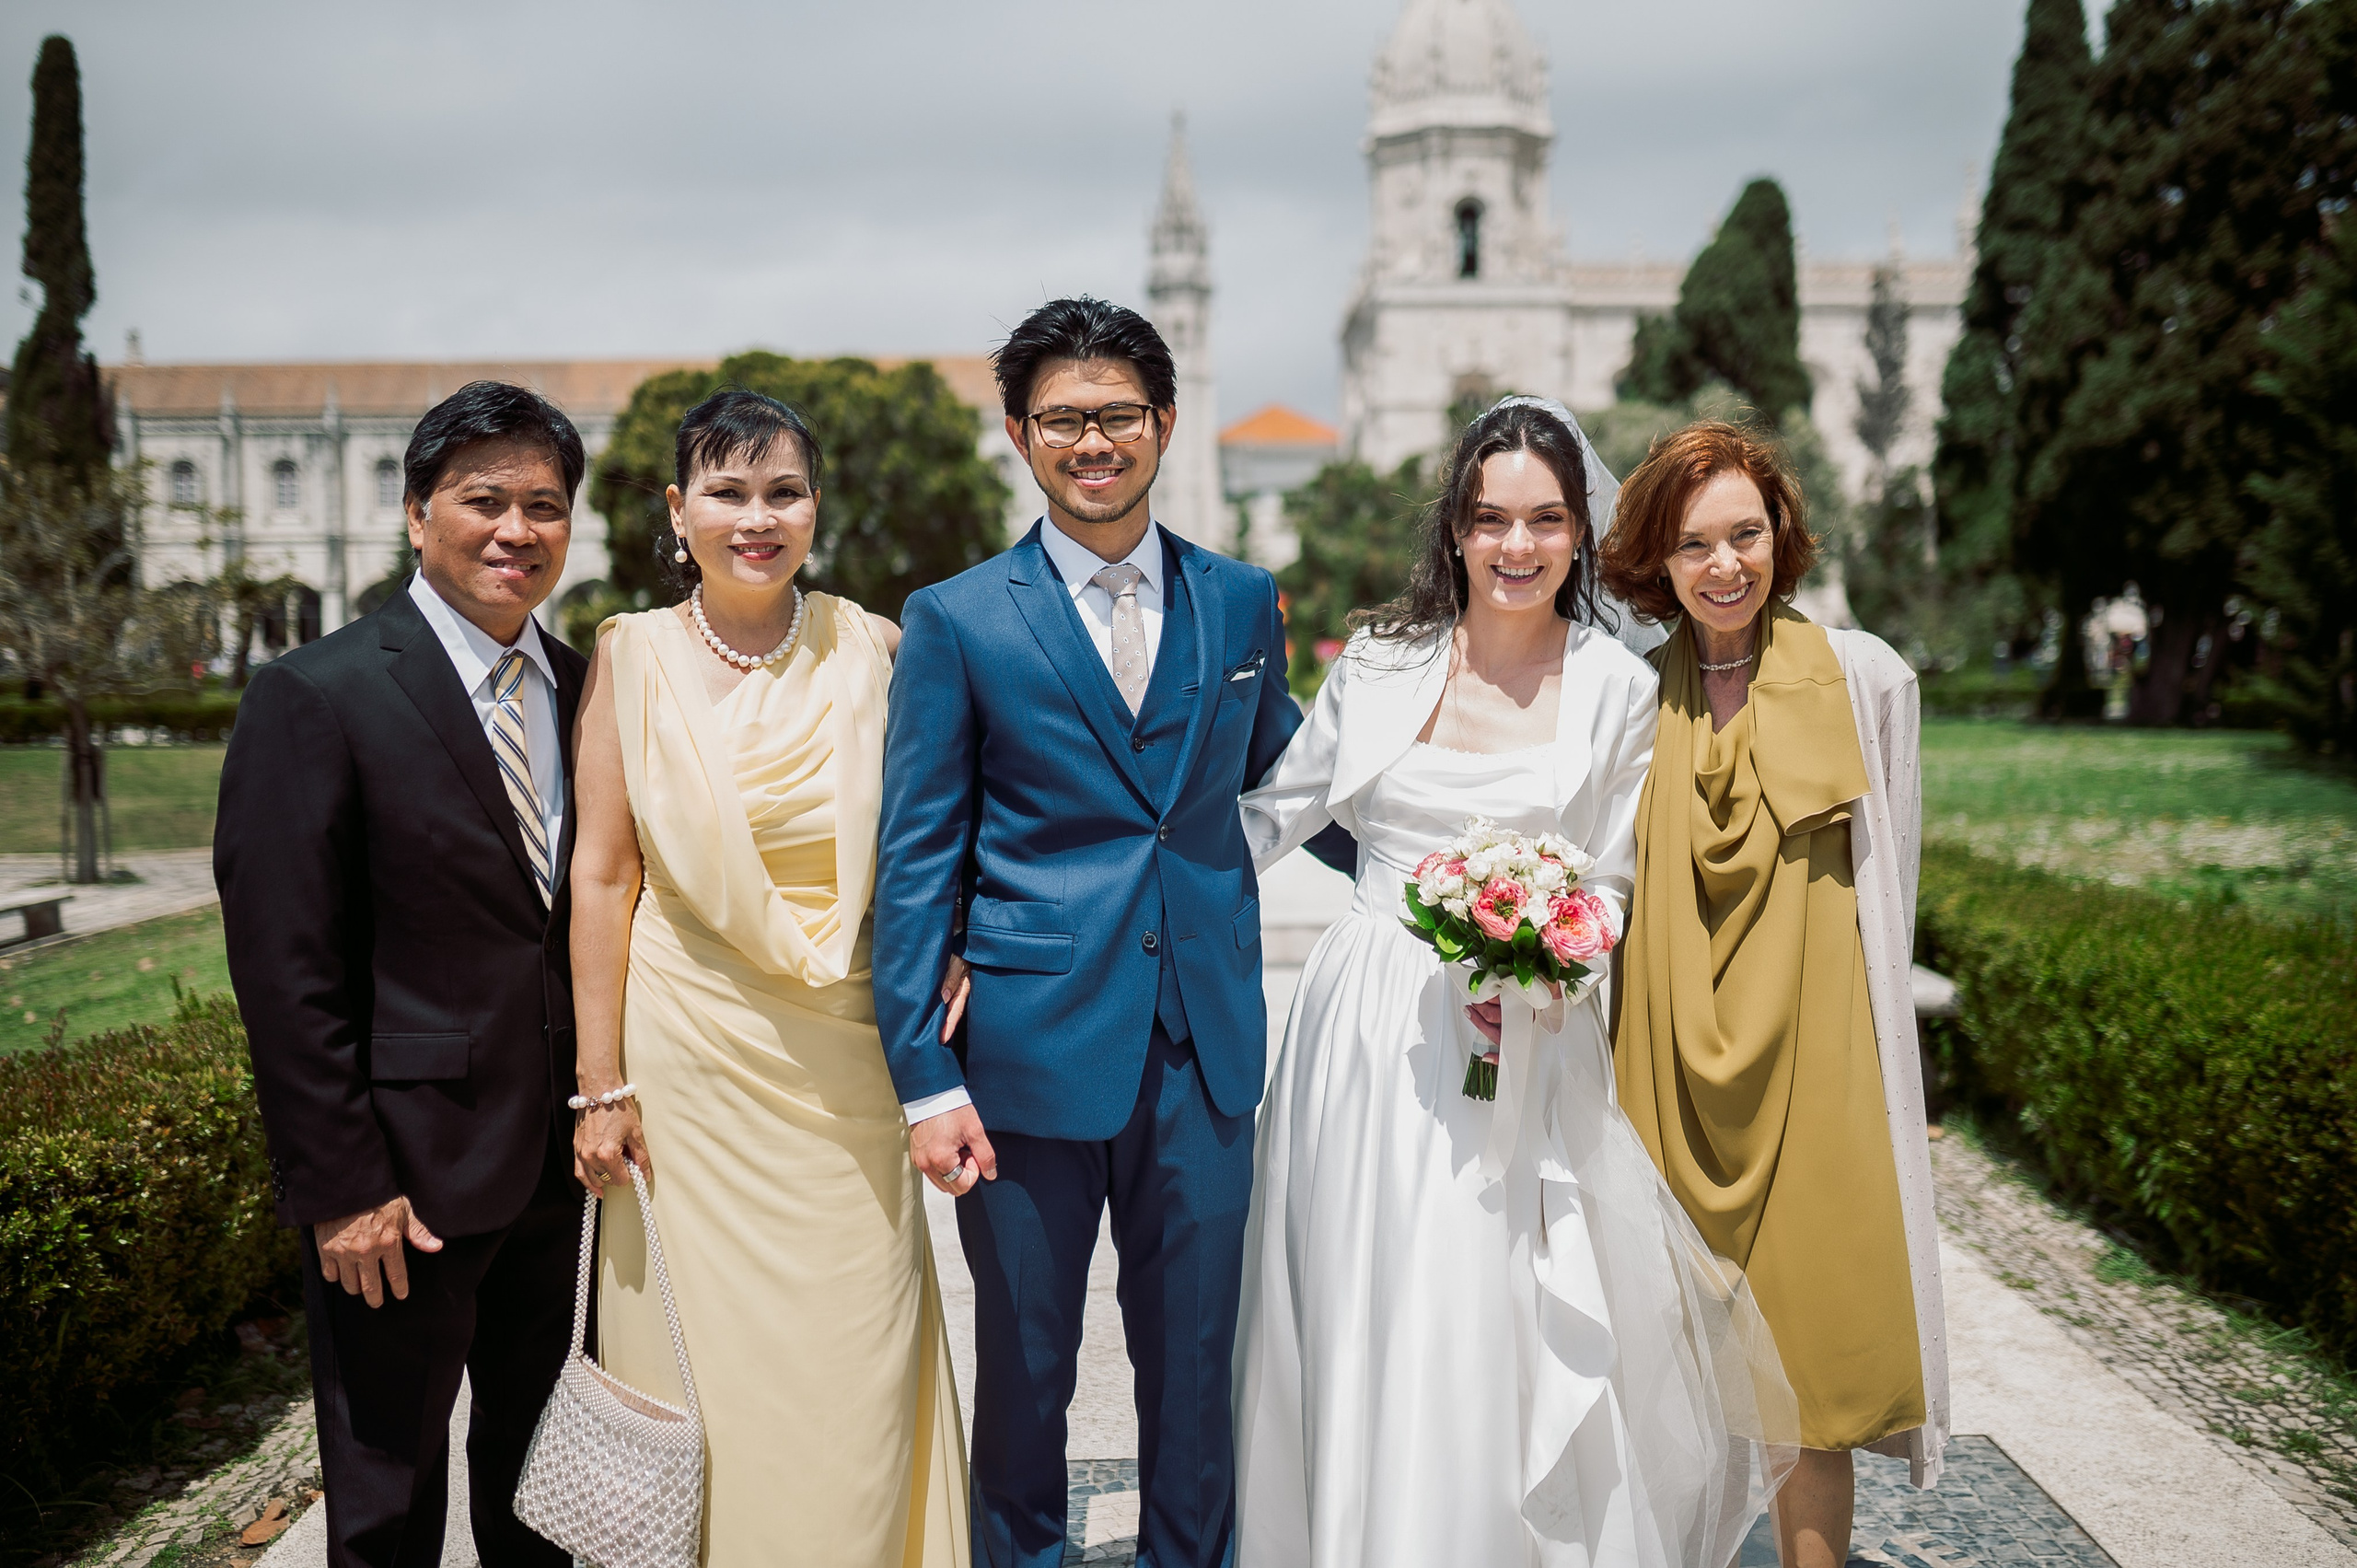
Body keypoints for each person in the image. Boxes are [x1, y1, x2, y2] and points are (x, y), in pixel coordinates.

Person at [1232, 398, 1796, 1568]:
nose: (1517, 546)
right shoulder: (1379, 665)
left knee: (1507, 1307)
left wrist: (1551, 962)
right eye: (1491, 519)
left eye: (1545, 518)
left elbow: (1621, 877)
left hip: (1534, 1031)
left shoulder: (1617, 688)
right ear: (1454, 530)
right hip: (1369, 1032)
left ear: (1582, 531)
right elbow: (1261, 824)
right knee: (1368, 1300)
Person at [875, 296, 1353, 1568]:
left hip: (1205, 1046)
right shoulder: (958, 617)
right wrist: (923, 1071)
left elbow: (1294, 778)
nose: (1095, 441)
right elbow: (918, 858)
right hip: (1025, 1055)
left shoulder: (1241, 599)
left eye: (1119, 415)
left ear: (1164, 422)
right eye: (1064, 419)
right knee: (1026, 1368)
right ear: (1023, 435)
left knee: (1197, 1362)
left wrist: (1456, 874)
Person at [564, 389, 968, 1567]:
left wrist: (949, 946)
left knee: (856, 1356)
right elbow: (602, 878)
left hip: (846, 1068)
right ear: (677, 509)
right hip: (690, 1073)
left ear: (816, 506)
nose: (758, 517)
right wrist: (600, 1086)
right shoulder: (629, 656)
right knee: (704, 1374)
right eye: (728, 492)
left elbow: (935, 839)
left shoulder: (879, 646)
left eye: (783, 490)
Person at [216, 381, 589, 1567]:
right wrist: (340, 1183)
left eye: (543, 504)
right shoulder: (316, 692)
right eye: (484, 501)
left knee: (543, 1490)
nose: (514, 530)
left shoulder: (592, 691)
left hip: (565, 1176)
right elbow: (287, 965)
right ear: (417, 511)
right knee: (386, 1502)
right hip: (402, 1186)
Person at [1597, 421, 1948, 1568]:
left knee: (1815, 1365)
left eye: (1744, 533)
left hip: (1818, 1060)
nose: (1724, 565)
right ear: (1657, 559)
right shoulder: (1624, 703)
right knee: (1667, 1362)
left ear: (1779, 534)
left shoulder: (1864, 675)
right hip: (1663, 1064)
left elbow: (1889, 874)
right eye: (1693, 543)